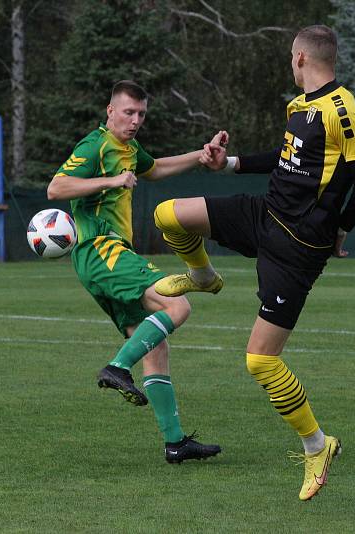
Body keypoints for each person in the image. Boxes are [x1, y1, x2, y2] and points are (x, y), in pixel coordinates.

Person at [152, 25, 355, 499]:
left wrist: (339, 229)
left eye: (289, 58)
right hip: (266, 213)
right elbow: (286, 159)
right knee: (168, 215)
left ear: (300, 58)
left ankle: (317, 445)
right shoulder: (300, 107)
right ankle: (202, 275)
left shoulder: (344, 110)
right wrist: (229, 163)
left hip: (299, 247)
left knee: (260, 360)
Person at [46, 80, 222, 464]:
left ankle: (175, 443)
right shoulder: (95, 145)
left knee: (155, 345)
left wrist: (201, 155)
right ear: (110, 111)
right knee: (177, 307)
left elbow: (155, 168)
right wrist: (111, 180)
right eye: (128, 112)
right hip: (100, 249)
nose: (136, 120)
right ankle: (116, 367)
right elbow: (56, 188)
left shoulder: (129, 148)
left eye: (141, 114)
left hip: (105, 258)